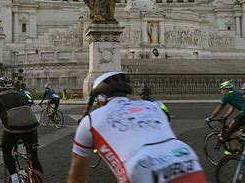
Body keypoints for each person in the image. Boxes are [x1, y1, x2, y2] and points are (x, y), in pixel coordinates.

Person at [68, 71, 207, 183]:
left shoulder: (91, 120)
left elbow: (77, 177)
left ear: (100, 98)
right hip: (187, 161)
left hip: (142, 169)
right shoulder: (152, 107)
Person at [0, 77, 43, 183]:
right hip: (32, 126)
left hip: (12, 129)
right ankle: (40, 177)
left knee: (6, 150)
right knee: (34, 156)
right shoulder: (20, 95)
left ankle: (14, 179)